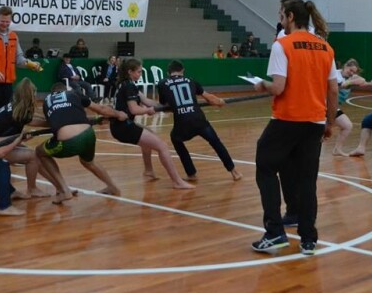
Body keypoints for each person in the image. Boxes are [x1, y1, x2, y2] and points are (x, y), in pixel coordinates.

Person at [251, 0, 337, 255]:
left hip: (287, 120)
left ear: (289, 17)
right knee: (307, 181)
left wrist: (261, 85)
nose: (280, 20)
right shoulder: (325, 47)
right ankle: (308, 239)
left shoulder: (283, 44)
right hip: (314, 121)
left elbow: (278, 87)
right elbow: (333, 90)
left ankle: (275, 232)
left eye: (281, 15)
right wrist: (329, 123)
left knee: (265, 168)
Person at [111, 58, 194, 189]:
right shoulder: (129, 86)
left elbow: (146, 101)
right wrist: (147, 111)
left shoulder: (125, 84)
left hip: (121, 126)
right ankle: (177, 181)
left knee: (150, 135)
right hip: (123, 127)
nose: (140, 74)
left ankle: (149, 171)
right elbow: (134, 109)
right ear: (130, 72)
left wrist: (166, 107)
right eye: (138, 72)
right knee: (162, 146)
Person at [37, 82, 127, 203]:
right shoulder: (74, 93)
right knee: (88, 162)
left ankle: (64, 190)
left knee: (39, 152)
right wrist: (118, 114)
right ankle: (113, 186)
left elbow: (57, 120)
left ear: (52, 92)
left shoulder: (47, 101)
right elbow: (101, 109)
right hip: (88, 135)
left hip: (67, 141)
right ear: (66, 89)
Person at [157, 60, 242, 182]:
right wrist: (220, 102)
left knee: (175, 138)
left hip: (182, 123)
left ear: (168, 72)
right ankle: (234, 172)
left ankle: (191, 174)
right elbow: (210, 98)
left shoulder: (162, 84)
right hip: (199, 120)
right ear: (182, 71)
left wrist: (178, 108)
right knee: (216, 143)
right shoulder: (191, 80)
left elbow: (164, 107)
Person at [0, 78, 59, 198]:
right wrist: (59, 120)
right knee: (33, 156)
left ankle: (59, 187)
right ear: (30, 95)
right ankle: (32, 189)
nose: (36, 96)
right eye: (34, 93)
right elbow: (38, 122)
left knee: (36, 158)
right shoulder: (21, 113)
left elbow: (35, 117)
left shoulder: (15, 107)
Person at [330, 59, 365, 156]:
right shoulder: (335, 75)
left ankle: (337, 149)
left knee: (347, 126)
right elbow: (334, 87)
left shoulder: (350, 79)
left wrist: (350, 81)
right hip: (324, 106)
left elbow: (362, 80)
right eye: (350, 70)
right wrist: (345, 84)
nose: (351, 73)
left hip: (334, 107)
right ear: (345, 66)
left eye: (354, 72)